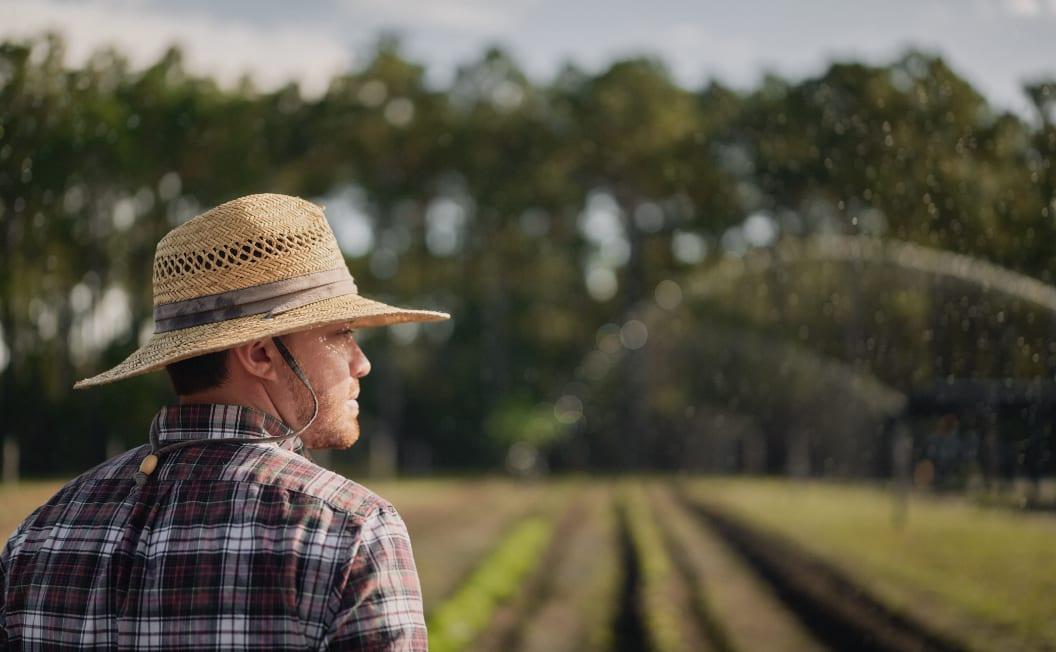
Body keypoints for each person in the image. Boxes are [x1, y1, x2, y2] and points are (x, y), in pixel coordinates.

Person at [0, 193, 449, 650]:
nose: (361, 363)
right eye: (341, 335)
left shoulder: (39, 536)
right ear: (260, 354)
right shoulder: (351, 532)